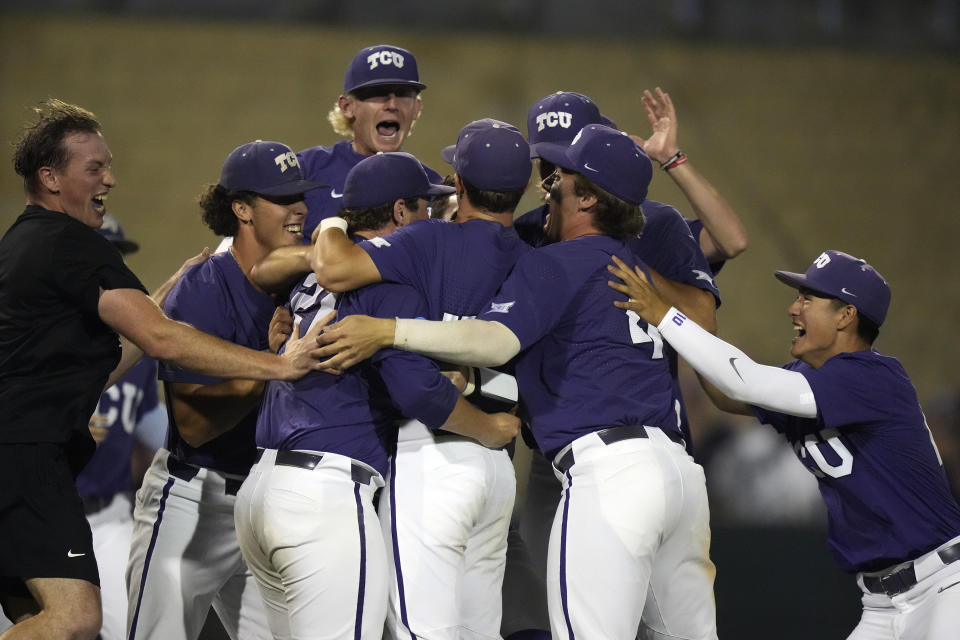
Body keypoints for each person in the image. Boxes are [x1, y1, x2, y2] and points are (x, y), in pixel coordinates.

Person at [316, 125, 719, 640]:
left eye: (563, 179)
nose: (552, 184)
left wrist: (389, 329)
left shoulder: (541, 259)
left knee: (428, 630)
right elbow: (717, 281)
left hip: (483, 455)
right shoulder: (609, 263)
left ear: (458, 183)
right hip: (656, 467)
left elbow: (494, 341)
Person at [0, 100, 323, 640]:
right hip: (29, 460)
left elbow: (105, 362)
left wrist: (158, 296)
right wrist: (279, 366)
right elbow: (161, 338)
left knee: (39, 622)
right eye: (95, 168)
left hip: (28, 457)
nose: (112, 178)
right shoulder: (70, 242)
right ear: (50, 178)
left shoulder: (26, 241)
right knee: (76, 618)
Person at [234, 150, 519, 640]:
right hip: (326, 494)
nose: (434, 217)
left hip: (263, 486)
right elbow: (416, 390)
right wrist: (488, 425)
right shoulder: (389, 279)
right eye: (425, 207)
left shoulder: (307, 280)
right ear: (402, 212)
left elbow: (262, 273)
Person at [609, 249, 960, 640]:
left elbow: (743, 381)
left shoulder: (874, 376)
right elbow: (729, 396)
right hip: (879, 602)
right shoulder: (812, 378)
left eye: (809, 298)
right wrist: (691, 328)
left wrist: (668, 316)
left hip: (943, 588)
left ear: (846, 315)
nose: (794, 308)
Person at [311, 119, 531, 639]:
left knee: (421, 631)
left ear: (459, 184)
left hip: (435, 450)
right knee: (480, 631)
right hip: (500, 467)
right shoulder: (534, 255)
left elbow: (335, 272)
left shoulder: (429, 238)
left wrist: (331, 223)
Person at [125, 140, 326, 640]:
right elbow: (193, 428)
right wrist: (271, 368)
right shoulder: (205, 285)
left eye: (300, 195)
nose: (298, 208)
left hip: (267, 505)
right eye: (282, 198)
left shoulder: (299, 283)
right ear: (241, 208)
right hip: (194, 496)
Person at [76, 213, 170, 640]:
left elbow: (159, 436)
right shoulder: (25, 337)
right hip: (24, 515)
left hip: (107, 520)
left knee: (136, 626)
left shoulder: (134, 352)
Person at [298, 43, 440, 238]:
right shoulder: (307, 171)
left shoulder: (432, 187)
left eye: (402, 94)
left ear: (416, 108)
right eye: (379, 94)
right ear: (347, 106)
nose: (392, 105)